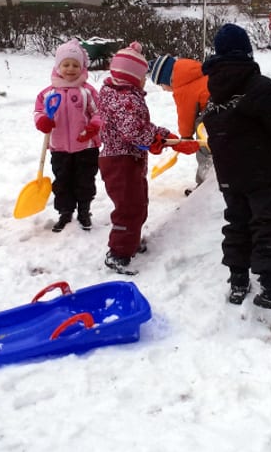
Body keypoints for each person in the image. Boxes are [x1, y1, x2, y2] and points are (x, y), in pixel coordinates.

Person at [202, 24, 271, 315]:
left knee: (237, 223)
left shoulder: (214, 92)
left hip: (229, 176)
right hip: (260, 172)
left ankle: (238, 280)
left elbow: (213, 126)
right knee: (267, 225)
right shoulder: (258, 86)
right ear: (247, 52)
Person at [98, 42, 198, 275]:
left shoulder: (115, 92)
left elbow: (139, 127)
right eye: (143, 76)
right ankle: (118, 253)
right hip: (120, 161)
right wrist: (157, 140)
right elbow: (133, 131)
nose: (145, 81)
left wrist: (164, 136)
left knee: (138, 203)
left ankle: (129, 241)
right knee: (129, 207)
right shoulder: (126, 99)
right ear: (131, 76)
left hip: (127, 159)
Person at [34, 39, 101, 232]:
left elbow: (99, 112)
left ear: (82, 67)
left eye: (75, 65)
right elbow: (38, 111)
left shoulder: (87, 92)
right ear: (58, 66)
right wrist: (42, 121)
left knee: (85, 180)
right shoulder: (48, 94)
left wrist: (93, 127)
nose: (70, 69)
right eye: (66, 64)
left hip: (86, 146)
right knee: (62, 181)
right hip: (59, 147)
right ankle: (65, 212)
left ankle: (84, 211)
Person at [148, 54, 213, 191]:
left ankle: (204, 188)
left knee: (205, 151)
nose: (162, 89)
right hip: (224, 109)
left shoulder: (182, 88)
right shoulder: (192, 71)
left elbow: (186, 116)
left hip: (212, 117)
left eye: (161, 85)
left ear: (166, 79)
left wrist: (186, 137)